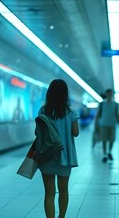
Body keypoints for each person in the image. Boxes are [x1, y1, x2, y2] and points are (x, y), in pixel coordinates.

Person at [38, 79, 79, 218]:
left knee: (49, 193)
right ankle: (61, 217)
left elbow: (38, 132)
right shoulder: (71, 112)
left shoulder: (43, 110)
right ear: (65, 94)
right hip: (64, 156)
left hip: (47, 156)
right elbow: (76, 132)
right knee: (63, 190)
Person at [95, 89, 119, 162]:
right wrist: (96, 123)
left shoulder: (116, 104)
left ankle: (109, 152)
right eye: (108, 93)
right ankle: (104, 154)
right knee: (104, 140)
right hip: (103, 124)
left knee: (112, 139)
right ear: (106, 94)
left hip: (112, 124)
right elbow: (98, 114)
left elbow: (116, 114)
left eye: (111, 93)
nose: (110, 95)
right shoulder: (102, 104)